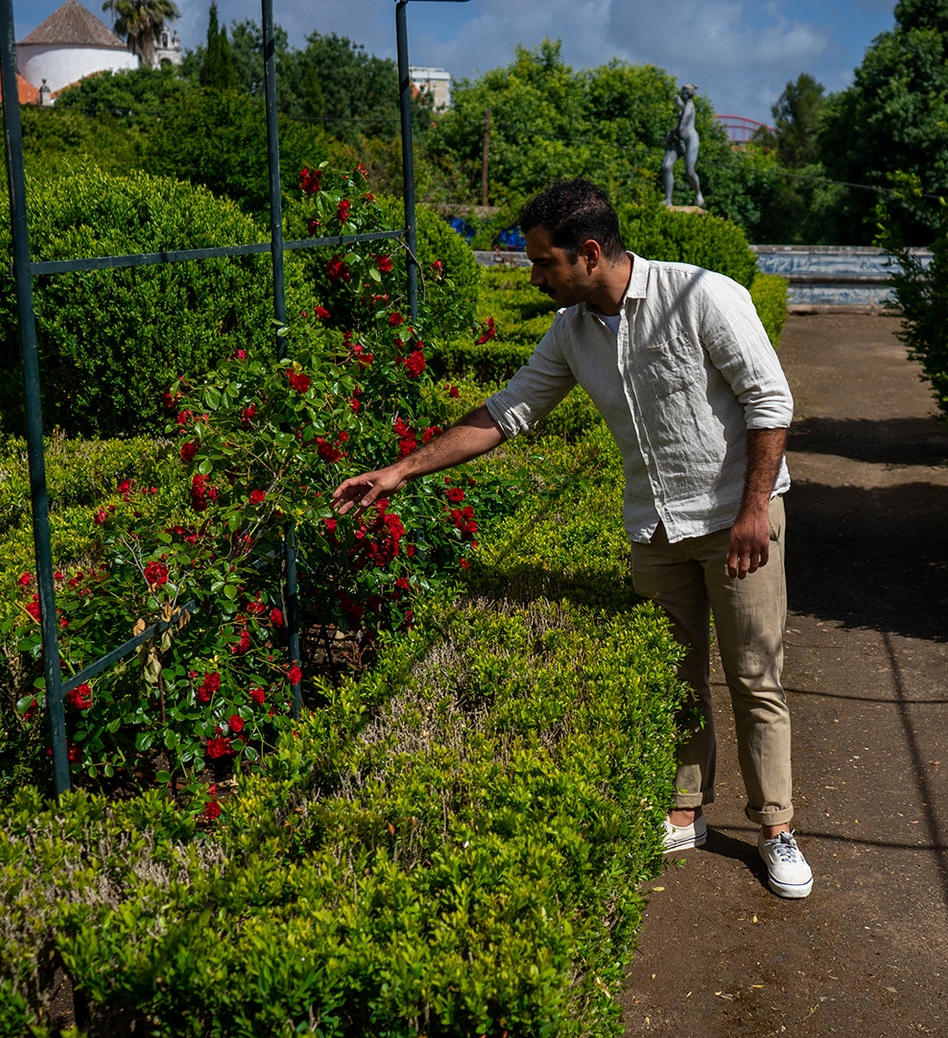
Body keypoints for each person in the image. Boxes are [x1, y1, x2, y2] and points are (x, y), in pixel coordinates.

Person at [330, 178, 812, 898]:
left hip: (736, 520)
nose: (533, 276)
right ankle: (687, 809)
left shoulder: (702, 296)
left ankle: (776, 828)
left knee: (754, 677)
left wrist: (751, 512)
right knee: (672, 677)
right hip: (654, 527)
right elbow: (506, 411)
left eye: (542, 263)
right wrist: (401, 469)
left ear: (589, 253)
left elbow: (770, 403)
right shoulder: (572, 332)